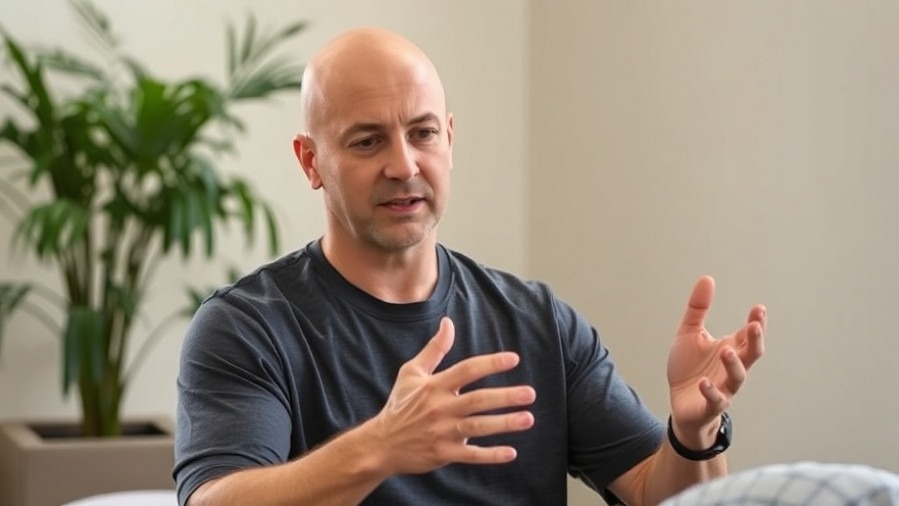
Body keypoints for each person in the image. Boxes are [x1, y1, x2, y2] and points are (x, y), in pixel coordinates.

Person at [173, 27, 767, 506]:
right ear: (311, 161)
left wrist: (692, 434)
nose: (403, 164)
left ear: (449, 141)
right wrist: (381, 446)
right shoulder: (246, 328)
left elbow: (652, 493)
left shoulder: (539, 322)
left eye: (422, 133)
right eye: (367, 142)